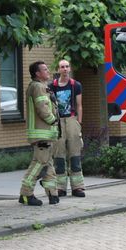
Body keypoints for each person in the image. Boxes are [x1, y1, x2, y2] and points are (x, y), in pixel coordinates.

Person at [18, 61, 60, 206]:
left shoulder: (40, 86)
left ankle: (52, 194)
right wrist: (53, 120)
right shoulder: (38, 87)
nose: (48, 71)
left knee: (47, 164)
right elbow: (43, 109)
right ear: (37, 73)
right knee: (39, 163)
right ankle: (25, 194)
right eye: (45, 69)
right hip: (42, 135)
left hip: (45, 135)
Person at [51, 59, 85, 198]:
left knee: (74, 153)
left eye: (67, 67)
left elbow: (79, 105)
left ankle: (78, 187)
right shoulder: (51, 86)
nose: (65, 69)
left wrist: (79, 123)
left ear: (69, 69)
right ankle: (60, 188)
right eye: (62, 67)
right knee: (59, 154)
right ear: (58, 70)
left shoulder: (76, 85)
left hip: (71, 120)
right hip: (58, 121)